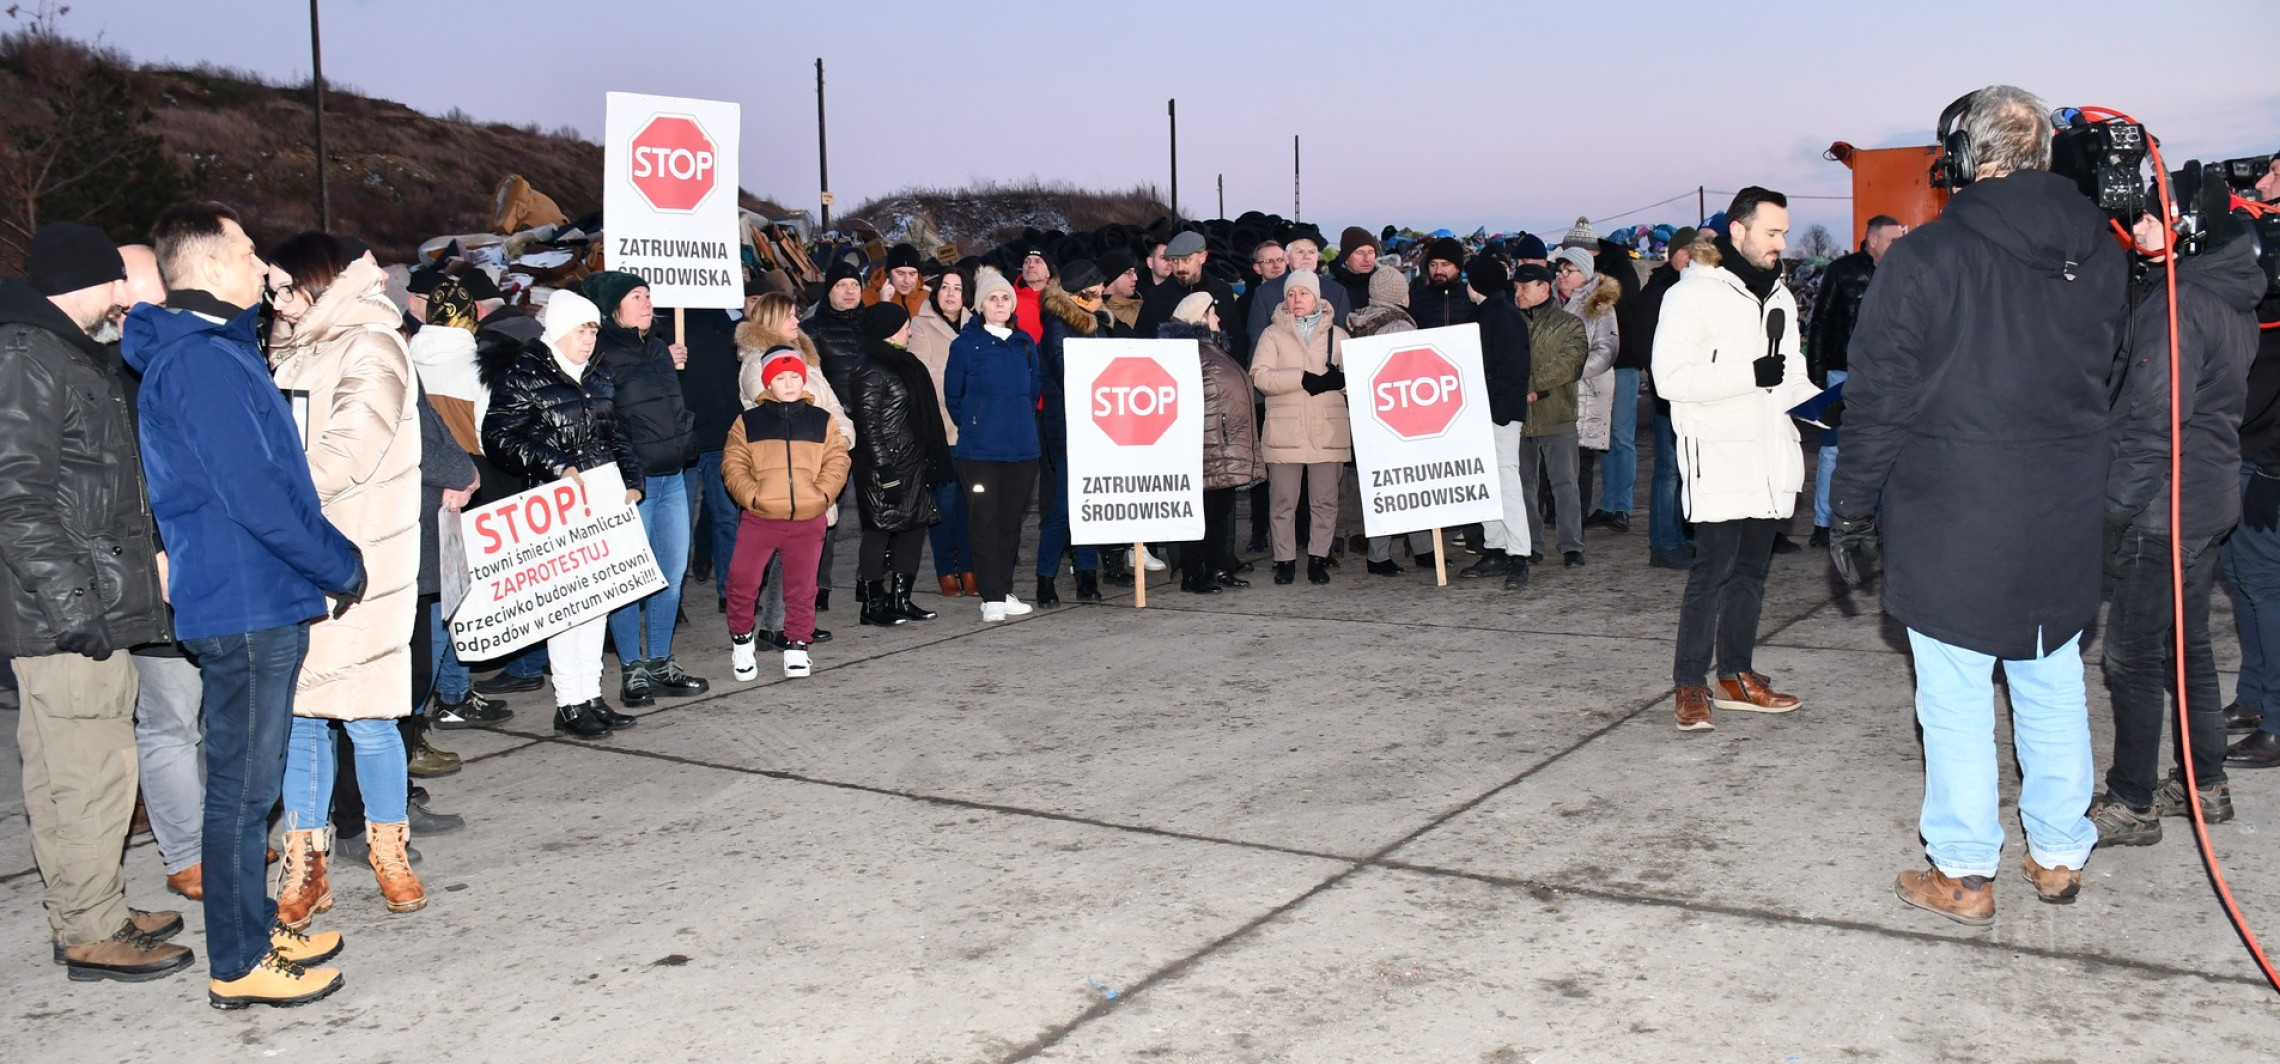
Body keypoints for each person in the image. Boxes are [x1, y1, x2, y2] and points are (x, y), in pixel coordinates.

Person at [1828, 86, 2128, 922]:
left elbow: (1879, 398)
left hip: (1957, 509)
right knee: (2049, 672)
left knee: (1956, 691)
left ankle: (1963, 871)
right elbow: (2111, 371)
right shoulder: (2102, 252)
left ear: (1963, 159)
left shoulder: (1927, 258)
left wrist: (1849, 508)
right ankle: (2060, 852)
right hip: (2064, 504)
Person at [129, 202, 365, 1006]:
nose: (262, 263)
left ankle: (254, 925)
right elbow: (257, 493)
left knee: (246, 783)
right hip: (246, 599)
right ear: (209, 263)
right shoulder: (200, 361)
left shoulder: (214, 351)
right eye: (248, 248)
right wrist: (338, 561)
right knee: (240, 791)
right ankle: (236, 961)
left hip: (252, 593)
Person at [3, 222, 189, 984]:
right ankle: (93, 929)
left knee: (64, 769)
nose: (125, 297)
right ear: (83, 280)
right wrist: (79, 608)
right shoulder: (29, 355)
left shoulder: (59, 353)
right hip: (69, 617)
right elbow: (17, 498)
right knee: (89, 771)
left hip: (73, 608)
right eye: (116, 281)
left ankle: (84, 906)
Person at [2087, 203, 2265, 845]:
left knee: (2131, 656)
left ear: (2188, 230)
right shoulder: (2228, 293)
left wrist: (2110, 517)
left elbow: (2152, 426)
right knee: (2184, 648)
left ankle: (2132, 801)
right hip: (2205, 498)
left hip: (2164, 507)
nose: (2136, 233)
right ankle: (2205, 784)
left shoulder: (2180, 303)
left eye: (2151, 220)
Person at [261, 234, 426, 925]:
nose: (274, 300)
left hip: (361, 558)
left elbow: (350, 448)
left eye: (284, 288)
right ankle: (307, 860)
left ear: (317, 283)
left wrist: (259, 491)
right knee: (300, 718)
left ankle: (390, 849)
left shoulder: (372, 344)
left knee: (368, 715)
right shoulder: (284, 348)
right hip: (294, 553)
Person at [1654, 186, 1820, 733]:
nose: (1781, 243)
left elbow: (1790, 377)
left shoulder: (1780, 297)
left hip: (1770, 458)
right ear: (1738, 231)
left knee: (1752, 572)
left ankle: (1736, 675)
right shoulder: (1693, 294)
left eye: (1784, 233)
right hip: (1720, 458)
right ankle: (1689, 684)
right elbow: (1670, 378)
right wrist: (1746, 374)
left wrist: (1829, 409)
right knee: (1712, 574)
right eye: (1772, 232)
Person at [478, 290, 644, 740]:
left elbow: (616, 432)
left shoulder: (598, 373)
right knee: (567, 604)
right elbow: (497, 437)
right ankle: (568, 701)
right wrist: (555, 464)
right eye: (580, 330)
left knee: (596, 600)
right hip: (557, 502)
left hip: (605, 496)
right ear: (558, 331)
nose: (588, 339)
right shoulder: (526, 374)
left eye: (593, 330)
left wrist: (633, 479)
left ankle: (590, 695)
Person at [582, 271, 706, 707]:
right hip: (633, 484)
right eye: (637, 296)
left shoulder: (655, 347)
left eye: (649, 295)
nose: (647, 302)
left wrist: (685, 436)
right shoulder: (601, 353)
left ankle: (659, 661)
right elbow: (602, 422)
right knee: (628, 578)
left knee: (670, 576)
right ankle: (631, 668)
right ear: (614, 306)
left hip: (673, 476)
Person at [402, 275, 509, 731]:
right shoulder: (477, 362)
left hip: (416, 485)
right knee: (458, 596)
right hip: (467, 480)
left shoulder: (404, 356)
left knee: (432, 596)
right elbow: (487, 430)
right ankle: (452, 692)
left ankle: (440, 695)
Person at [723, 349, 850, 679]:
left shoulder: (821, 420)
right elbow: (734, 464)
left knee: (802, 588)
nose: (789, 383)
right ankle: (741, 641)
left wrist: (820, 495)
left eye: (794, 376)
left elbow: (837, 460)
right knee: (742, 581)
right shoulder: (749, 422)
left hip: (808, 519)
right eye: (780, 377)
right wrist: (753, 497)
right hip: (760, 518)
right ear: (768, 383)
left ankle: (797, 644)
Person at [735, 291, 854, 642]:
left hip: (816, 457)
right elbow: (783, 413)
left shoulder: (804, 356)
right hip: (785, 466)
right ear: (772, 320)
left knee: (801, 551)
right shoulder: (759, 365)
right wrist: (826, 438)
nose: (796, 321)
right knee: (785, 551)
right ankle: (779, 626)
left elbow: (829, 404)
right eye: (789, 316)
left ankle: (787, 623)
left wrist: (841, 437)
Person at [944, 267, 1044, 621]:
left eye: (1005, 298)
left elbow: (1033, 391)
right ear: (979, 305)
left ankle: (1002, 588)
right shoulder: (965, 345)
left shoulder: (1025, 343)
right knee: (983, 521)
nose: (1000, 304)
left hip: (1022, 450)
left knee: (1010, 523)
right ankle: (992, 597)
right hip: (980, 452)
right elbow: (953, 397)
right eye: (992, 298)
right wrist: (976, 422)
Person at [2224, 153, 2280, 769]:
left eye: (2274, 175)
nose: (2262, 185)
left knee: (2267, 586)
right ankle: (2255, 699)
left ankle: (2278, 719)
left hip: (2266, 457)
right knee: (2242, 580)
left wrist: (2273, 467)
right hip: (2241, 442)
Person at [848, 303, 954, 625]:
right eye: (905, 326)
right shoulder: (871, 368)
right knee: (879, 531)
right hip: (886, 467)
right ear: (889, 329)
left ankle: (900, 599)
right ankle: (872, 604)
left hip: (914, 462)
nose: (909, 331)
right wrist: (885, 471)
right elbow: (868, 427)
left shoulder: (906, 363)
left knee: (913, 528)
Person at [1804, 215, 1905, 546]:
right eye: (1893, 239)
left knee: (1883, 449)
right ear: (1873, 240)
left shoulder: (1905, 273)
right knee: (1834, 451)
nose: (1899, 246)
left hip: (1888, 375)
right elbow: (1819, 324)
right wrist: (1817, 378)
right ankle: (1823, 523)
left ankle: (1871, 522)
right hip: (1842, 373)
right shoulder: (1842, 271)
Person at [1251, 270, 1350, 586]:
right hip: (1286, 431)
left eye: (1303, 294)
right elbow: (1260, 376)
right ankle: (1285, 560)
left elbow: (1360, 379)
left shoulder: (1340, 335)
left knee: (1325, 500)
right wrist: (1300, 377)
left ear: (1317, 298)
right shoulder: (1272, 335)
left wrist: (1342, 382)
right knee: (1283, 501)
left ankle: (1319, 558)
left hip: (1328, 429)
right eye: (1292, 294)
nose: (1296, 300)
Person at [1159, 292, 1263, 593]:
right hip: (1203, 448)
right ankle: (1193, 574)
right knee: (1200, 514)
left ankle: (1217, 567)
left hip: (1222, 446)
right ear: (1201, 317)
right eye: (1213, 314)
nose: (1219, 319)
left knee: (1219, 513)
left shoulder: (1212, 349)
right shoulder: (1188, 353)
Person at [1034, 259, 1111, 604]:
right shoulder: (1057, 327)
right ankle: (1045, 578)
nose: (1103, 293)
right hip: (1068, 428)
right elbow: (1072, 373)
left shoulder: (1097, 323)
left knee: (1091, 507)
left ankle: (1086, 574)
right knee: (1065, 509)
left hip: (1097, 428)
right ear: (1080, 293)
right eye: (1097, 289)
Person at [1457, 255, 1536, 587]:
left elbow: (1513, 372)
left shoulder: (1501, 317)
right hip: (1488, 412)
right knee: (1489, 481)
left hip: (1498, 414)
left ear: (1477, 284)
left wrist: (1498, 412)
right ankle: (1496, 548)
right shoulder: (1491, 314)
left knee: (1505, 481)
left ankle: (1519, 554)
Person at [1514, 262, 1589, 580]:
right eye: (1516, 287)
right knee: (1523, 486)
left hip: (1556, 415)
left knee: (1564, 483)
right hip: (1517, 420)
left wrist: (1531, 385)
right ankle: (1532, 544)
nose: (1518, 293)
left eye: (1524, 287)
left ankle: (1571, 545)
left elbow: (1570, 363)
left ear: (1544, 288)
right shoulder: (1509, 322)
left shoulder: (1569, 324)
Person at [908, 268, 978, 597]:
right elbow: (923, 372)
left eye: (957, 288)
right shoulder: (920, 325)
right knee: (944, 502)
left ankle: (968, 565)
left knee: (970, 503)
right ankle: (945, 568)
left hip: (974, 429)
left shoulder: (976, 324)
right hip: (940, 428)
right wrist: (963, 384)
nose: (950, 294)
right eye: (945, 287)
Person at [1558, 246, 1620, 565]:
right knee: (1563, 463)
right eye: (1560, 270)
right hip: (1565, 394)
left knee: (1580, 465)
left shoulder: (1598, 305)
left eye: (1568, 271)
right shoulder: (1566, 302)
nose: (1561, 275)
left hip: (1587, 394)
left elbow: (1607, 350)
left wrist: (1571, 370)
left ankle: (1575, 530)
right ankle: (1564, 526)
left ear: (1583, 273)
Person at [1642, 228, 1698, 569]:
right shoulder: (1661, 291)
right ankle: (1664, 543)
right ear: (1673, 254)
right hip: (1668, 396)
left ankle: (1679, 535)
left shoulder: (1685, 289)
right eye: (1685, 252)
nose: (1690, 258)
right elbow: (1651, 345)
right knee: (1668, 470)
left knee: (1683, 468)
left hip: (1685, 393)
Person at [1245, 230, 1351, 344]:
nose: (1306, 257)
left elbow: (1344, 342)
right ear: (1286, 257)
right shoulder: (1265, 293)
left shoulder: (1337, 291)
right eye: (1300, 252)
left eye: (1311, 252)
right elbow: (1256, 343)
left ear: (1317, 257)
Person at [1136, 231, 1236, 342]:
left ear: (1202, 257)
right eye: (1174, 261)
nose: (1179, 268)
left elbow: (1237, 340)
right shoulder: (1155, 297)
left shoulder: (1222, 292)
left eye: (1186, 260)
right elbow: (1142, 344)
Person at [804, 259, 868, 404]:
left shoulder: (874, 322)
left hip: (878, 415)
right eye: (841, 285)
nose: (850, 291)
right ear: (828, 291)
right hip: (838, 415)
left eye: (855, 284)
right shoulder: (812, 329)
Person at [1409, 237, 1477, 332]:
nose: (1438, 271)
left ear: (1457, 268)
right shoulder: (1415, 298)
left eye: (1445, 265)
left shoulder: (1472, 297)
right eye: (1433, 265)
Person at [864, 243, 930, 319]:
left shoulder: (927, 296)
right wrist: (883, 306)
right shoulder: (867, 298)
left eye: (912, 274)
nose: (907, 280)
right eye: (901, 273)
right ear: (888, 273)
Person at [1100, 251, 1143, 335]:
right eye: (1129, 273)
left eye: (1135, 272)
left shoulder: (1143, 305)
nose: (1135, 278)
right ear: (1113, 277)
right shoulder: (1098, 315)